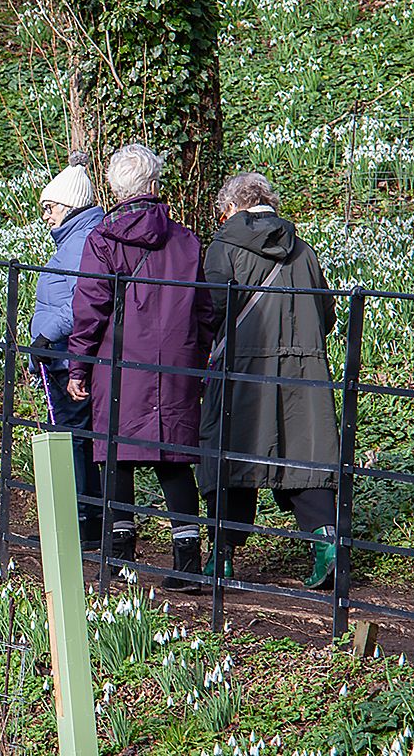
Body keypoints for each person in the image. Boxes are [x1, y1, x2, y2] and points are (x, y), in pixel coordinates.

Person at [65, 144, 222, 592]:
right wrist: (196, 355)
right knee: (173, 459)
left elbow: (90, 309)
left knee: (116, 455)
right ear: (153, 185)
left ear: (116, 190)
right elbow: (205, 310)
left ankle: (120, 560)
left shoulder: (103, 240)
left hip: (119, 363)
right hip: (175, 364)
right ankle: (187, 563)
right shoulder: (185, 240)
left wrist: (78, 367)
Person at [199, 171, 341, 590]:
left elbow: (211, 311)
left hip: (240, 369)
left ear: (232, 207)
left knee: (229, 454)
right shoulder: (304, 250)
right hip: (304, 372)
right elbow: (327, 315)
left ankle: (222, 556)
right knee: (305, 456)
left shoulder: (223, 247)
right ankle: (327, 543)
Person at [30, 151, 106, 545]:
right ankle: (88, 518)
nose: (46, 216)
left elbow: (82, 299)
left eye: (50, 207)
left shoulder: (79, 242)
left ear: (70, 206)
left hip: (66, 355)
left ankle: (83, 521)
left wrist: (46, 337)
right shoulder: (77, 238)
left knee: (73, 437)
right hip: (62, 354)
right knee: (77, 436)